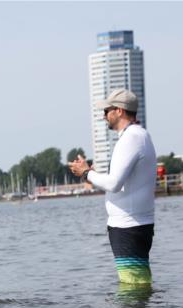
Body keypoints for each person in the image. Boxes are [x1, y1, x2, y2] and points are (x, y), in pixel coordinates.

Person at [69, 89, 157, 285]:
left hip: (129, 226)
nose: (103, 116)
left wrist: (86, 173)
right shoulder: (139, 135)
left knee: (133, 286)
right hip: (134, 224)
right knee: (138, 282)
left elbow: (114, 184)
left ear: (119, 111)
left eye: (107, 110)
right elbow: (118, 180)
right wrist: (90, 173)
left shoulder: (131, 138)